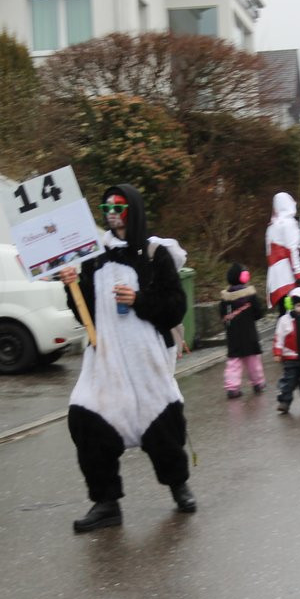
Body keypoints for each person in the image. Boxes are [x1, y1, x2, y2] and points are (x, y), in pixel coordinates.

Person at [58, 184, 195, 533]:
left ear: (133, 209)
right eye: (107, 206)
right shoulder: (94, 255)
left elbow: (176, 306)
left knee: (163, 425)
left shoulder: (154, 253)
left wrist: (139, 300)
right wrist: (71, 286)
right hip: (104, 359)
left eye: (119, 206)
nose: (112, 212)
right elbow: (84, 313)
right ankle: (106, 503)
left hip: (144, 356)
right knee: (87, 420)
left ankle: (179, 485)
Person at [220, 262, 265, 399]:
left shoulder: (225, 298)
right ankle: (258, 383)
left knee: (233, 363)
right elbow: (258, 313)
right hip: (249, 335)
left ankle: (232, 388)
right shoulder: (250, 295)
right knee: (253, 362)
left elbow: (222, 315)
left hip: (233, 336)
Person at [265, 191, 300, 315]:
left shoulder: (272, 225)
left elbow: (269, 253)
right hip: (287, 274)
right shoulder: (289, 223)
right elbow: (292, 250)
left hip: (275, 275)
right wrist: (299, 274)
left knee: (284, 313)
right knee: (294, 313)